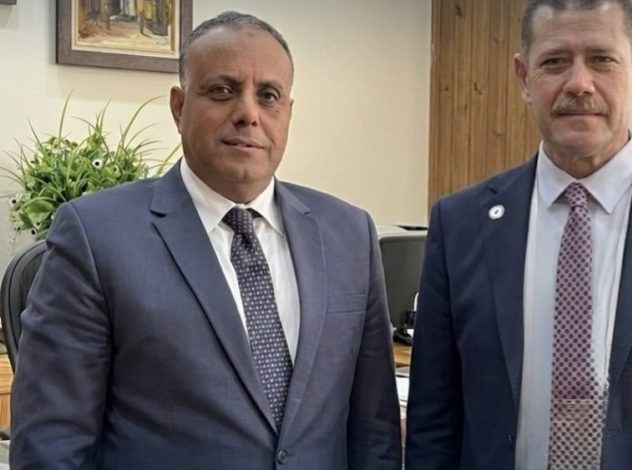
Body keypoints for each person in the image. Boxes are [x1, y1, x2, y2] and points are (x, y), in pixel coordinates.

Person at [11, 11, 401, 470]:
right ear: (179, 107)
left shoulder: (349, 234)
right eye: (222, 90)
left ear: (288, 113)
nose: (248, 114)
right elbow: (51, 446)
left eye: (268, 96)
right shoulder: (97, 236)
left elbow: (374, 434)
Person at [405, 1, 632, 469]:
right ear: (524, 78)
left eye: (602, 59)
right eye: (554, 61)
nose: (579, 83)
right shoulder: (460, 223)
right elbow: (433, 424)